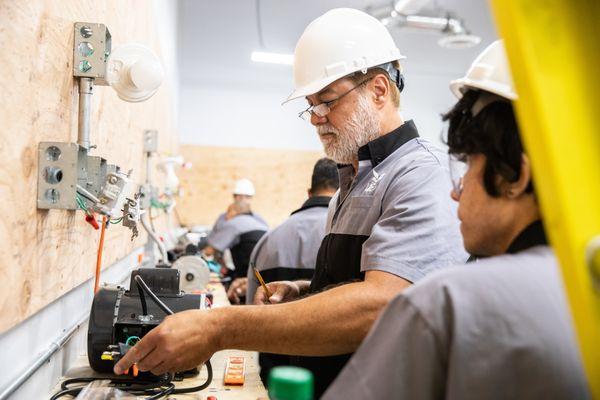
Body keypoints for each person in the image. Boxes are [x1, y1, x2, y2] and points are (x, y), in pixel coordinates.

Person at [114, 9, 466, 396]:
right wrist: (304, 290)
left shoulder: (420, 174)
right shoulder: (352, 182)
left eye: (327, 101)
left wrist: (220, 328)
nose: (316, 118)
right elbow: (361, 283)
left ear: (379, 90)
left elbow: (384, 304)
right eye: (311, 106)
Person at [322, 40, 590, 400]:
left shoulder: (449, 304)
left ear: (514, 176)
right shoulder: (586, 286)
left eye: (468, 166)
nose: (455, 192)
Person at [235, 157, 339, 384]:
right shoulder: (353, 242)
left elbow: (253, 316)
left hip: (275, 377)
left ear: (309, 192)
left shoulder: (268, 240)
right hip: (334, 377)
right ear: (344, 193)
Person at [203, 200, 268, 282]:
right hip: (266, 270)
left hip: (248, 274)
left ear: (234, 211)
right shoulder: (259, 222)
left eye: (228, 212)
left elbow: (209, 250)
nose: (225, 217)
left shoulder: (233, 223)